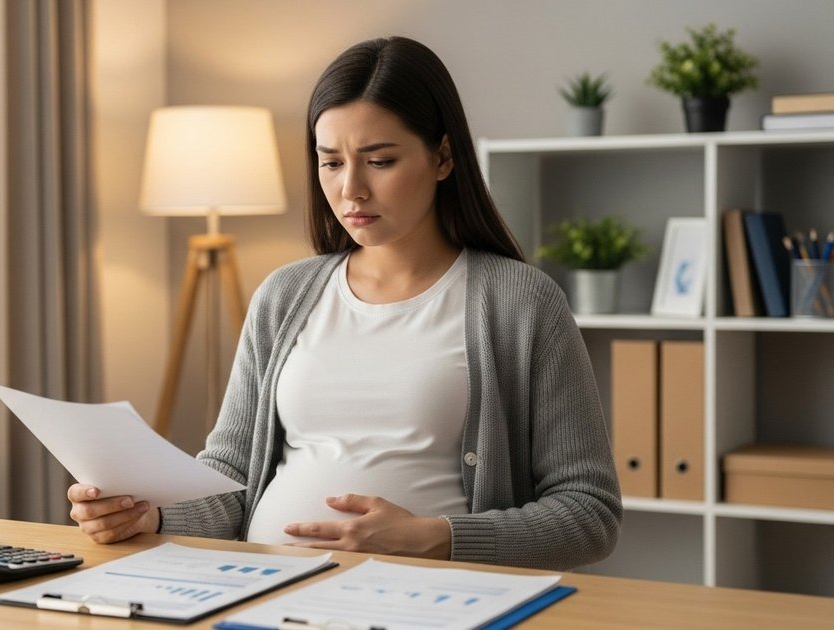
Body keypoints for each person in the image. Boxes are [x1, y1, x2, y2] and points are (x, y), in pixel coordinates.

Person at [68, 35, 621, 571]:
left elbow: (588, 514)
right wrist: (152, 515)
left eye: (379, 161)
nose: (351, 189)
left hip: (430, 604)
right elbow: (231, 479)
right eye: (331, 162)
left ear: (444, 157)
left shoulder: (521, 303)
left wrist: (438, 538)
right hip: (262, 590)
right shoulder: (284, 296)